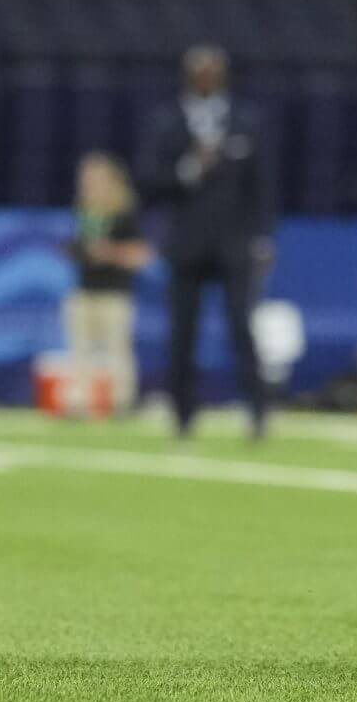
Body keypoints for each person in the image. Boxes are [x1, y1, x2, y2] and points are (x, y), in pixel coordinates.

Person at [138, 45, 274, 440]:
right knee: (182, 333)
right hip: (186, 242)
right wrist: (190, 167)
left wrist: (263, 237)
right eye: (200, 70)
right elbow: (149, 182)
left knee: (241, 329)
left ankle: (256, 413)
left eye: (213, 69)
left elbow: (262, 186)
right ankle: (182, 415)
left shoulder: (247, 120)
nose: (206, 77)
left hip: (233, 242)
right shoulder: (166, 122)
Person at [65, 152, 150, 415]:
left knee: (117, 351)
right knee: (80, 351)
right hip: (84, 290)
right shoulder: (84, 210)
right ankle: (79, 402)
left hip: (114, 293)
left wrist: (109, 252)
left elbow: (141, 255)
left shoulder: (125, 212)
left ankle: (121, 402)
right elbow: (76, 248)